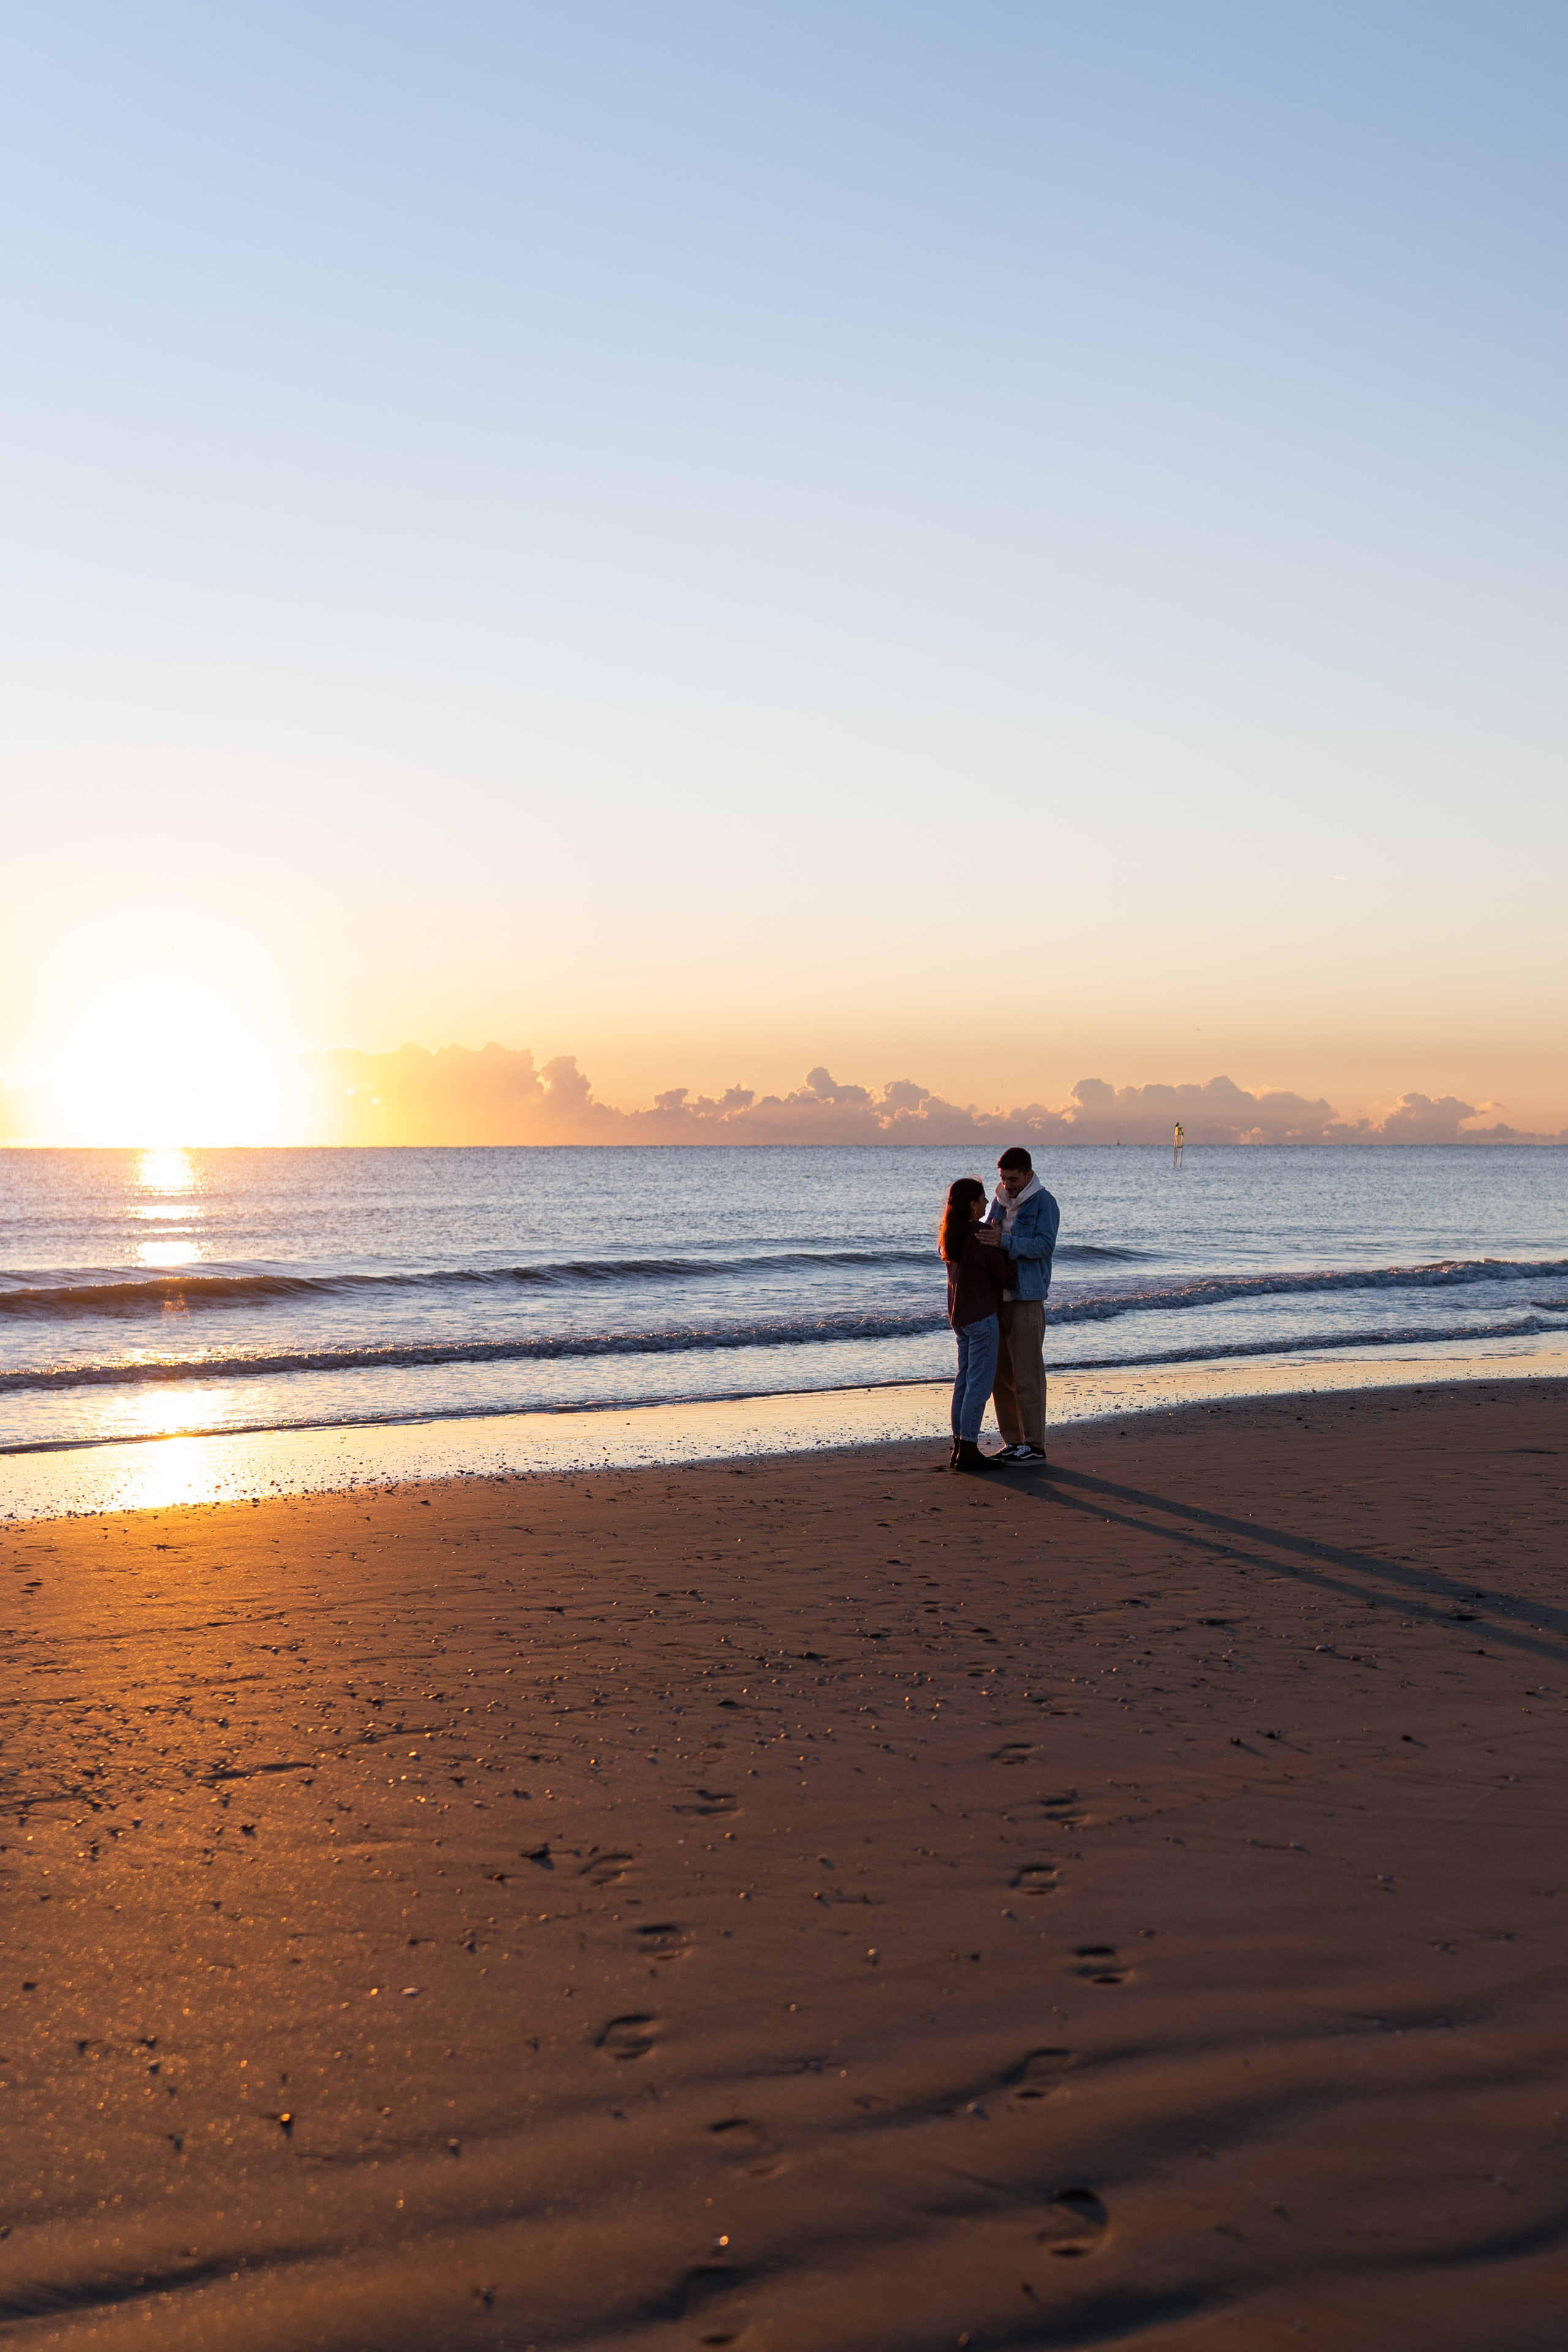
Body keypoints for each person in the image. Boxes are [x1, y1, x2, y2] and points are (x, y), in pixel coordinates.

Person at [973, 1145, 1060, 1464]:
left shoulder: (1044, 1202)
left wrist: (1005, 1242)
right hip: (998, 1297)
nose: (1007, 1185)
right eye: (1003, 1179)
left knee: (1028, 1375)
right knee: (1000, 1376)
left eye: (1012, 1179)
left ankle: (1035, 1445)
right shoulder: (997, 1202)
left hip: (1027, 1296)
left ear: (1028, 1174)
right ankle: (1014, 1441)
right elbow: (988, 1235)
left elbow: (1044, 1246)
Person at [939, 1175, 1010, 1476]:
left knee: (965, 1380)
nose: (986, 1203)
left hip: (960, 1316)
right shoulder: (981, 1234)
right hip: (981, 1315)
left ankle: (959, 1445)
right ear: (972, 1204)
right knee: (979, 1384)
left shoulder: (950, 1234)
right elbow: (1004, 1274)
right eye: (982, 1198)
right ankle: (968, 1446)